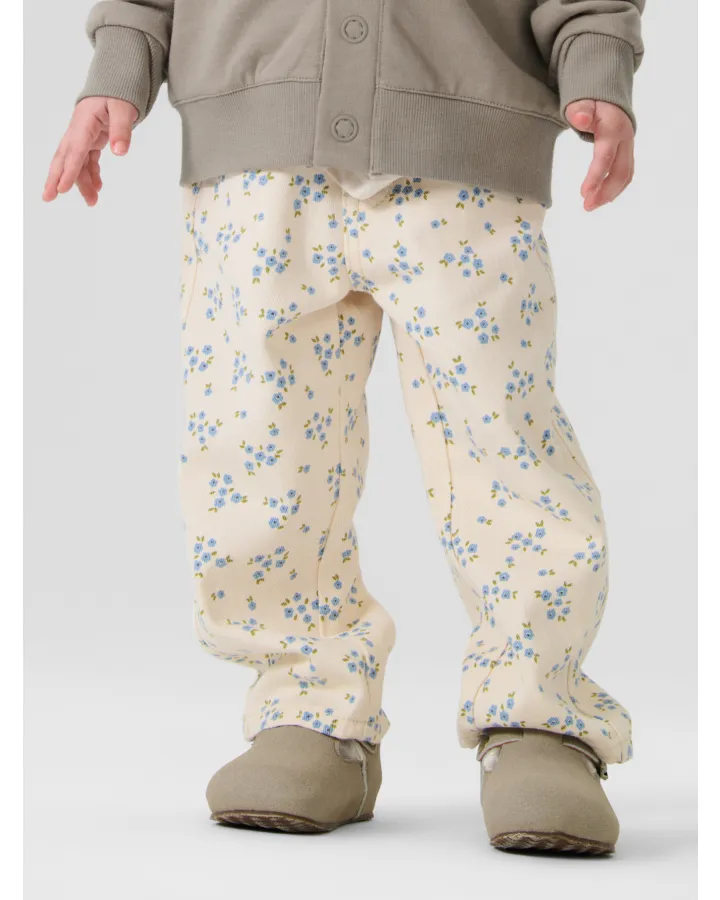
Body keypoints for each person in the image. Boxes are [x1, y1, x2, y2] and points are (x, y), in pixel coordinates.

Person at [43, 0, 645, 854]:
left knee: (502, 441)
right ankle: (310, 707)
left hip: (468, 144)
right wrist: (122, 57)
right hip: (254, 156)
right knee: (257, 440)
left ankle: (539, 715)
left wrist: (596, 54)